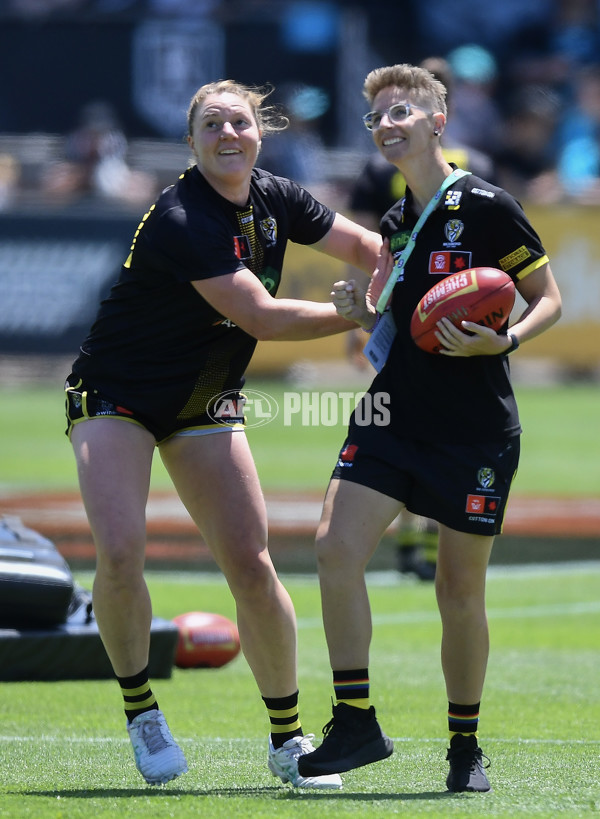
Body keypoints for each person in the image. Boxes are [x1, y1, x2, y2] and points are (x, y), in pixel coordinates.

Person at [64, 79, 382, 788]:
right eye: (211, 125)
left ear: (260, 131)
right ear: (192, 141)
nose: (227, 134)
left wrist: (404, 278)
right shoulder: (182, 216)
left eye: (239, 121)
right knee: (119, 553)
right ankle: (143, 711)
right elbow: (261, 317)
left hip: (204, 398)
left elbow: (364, 244)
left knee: (252, 562)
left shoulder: (278, 195)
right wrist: (360, 317)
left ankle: (287, 739)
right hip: (116, 393)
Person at [297, 63, 561, 792]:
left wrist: (504, 341)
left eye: (401, 109)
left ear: (437, 121)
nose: (387, 122)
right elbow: (387, 316)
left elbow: (550, 298)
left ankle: (464, 745)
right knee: (333, 548)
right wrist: (359, 305)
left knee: (456, 590)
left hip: (474, 428)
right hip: (391, 415)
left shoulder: (487, 205)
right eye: (376, 115)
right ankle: (355, 720)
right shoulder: (394, 222)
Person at [345, 56, 495, 581]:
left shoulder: (387, 171)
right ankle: (425, 536)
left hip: (413, 317)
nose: (388, 123)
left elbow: (364, 245)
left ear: (437, 113)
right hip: (441, 320)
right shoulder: (477, 161)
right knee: (425, 426)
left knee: (412, 417)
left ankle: (414, 533)